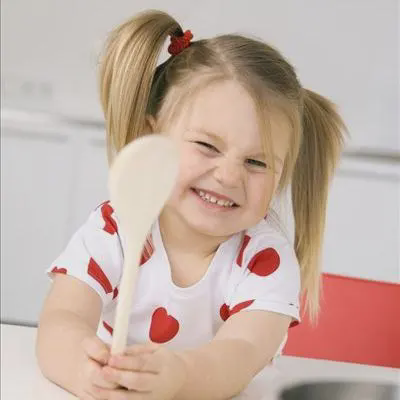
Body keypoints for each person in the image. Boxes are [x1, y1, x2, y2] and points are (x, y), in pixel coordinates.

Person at [36, 9, 346, 400]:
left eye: (257, 162)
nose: (229, 176)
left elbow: (241, 353)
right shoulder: (115, 228)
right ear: (151, 137)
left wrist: (178, 377)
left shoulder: (265, 259)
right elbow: (61, 319)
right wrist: (84, 371)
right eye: (206, 145)